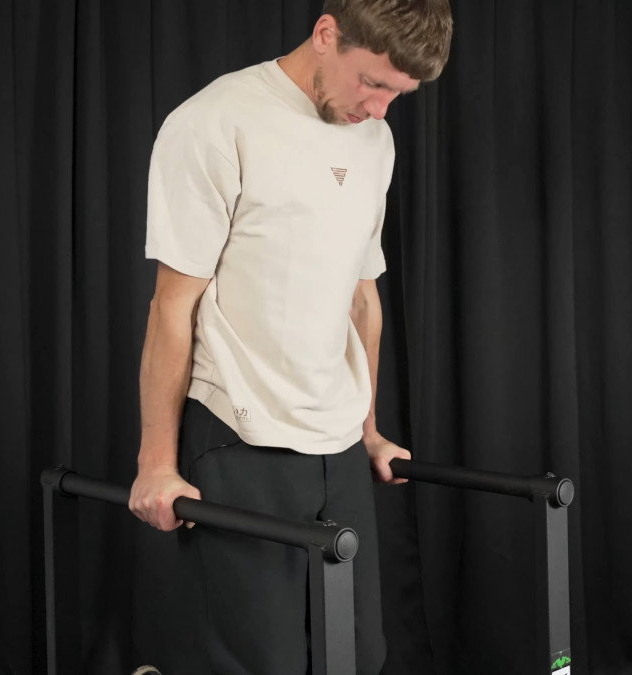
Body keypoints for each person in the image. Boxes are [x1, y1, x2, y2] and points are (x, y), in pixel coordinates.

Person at [129, 1, 452, 672]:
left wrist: (368, 429)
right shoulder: (216, 121)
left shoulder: (375, 140)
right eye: (373, 82)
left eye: (398, 94)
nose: (380, 108)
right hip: (239, 432)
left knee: (357, 655)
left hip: (337, 442)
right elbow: (171, 307)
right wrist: (156, 462)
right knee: (260, 661)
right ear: (326, 33)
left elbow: (362, 299)